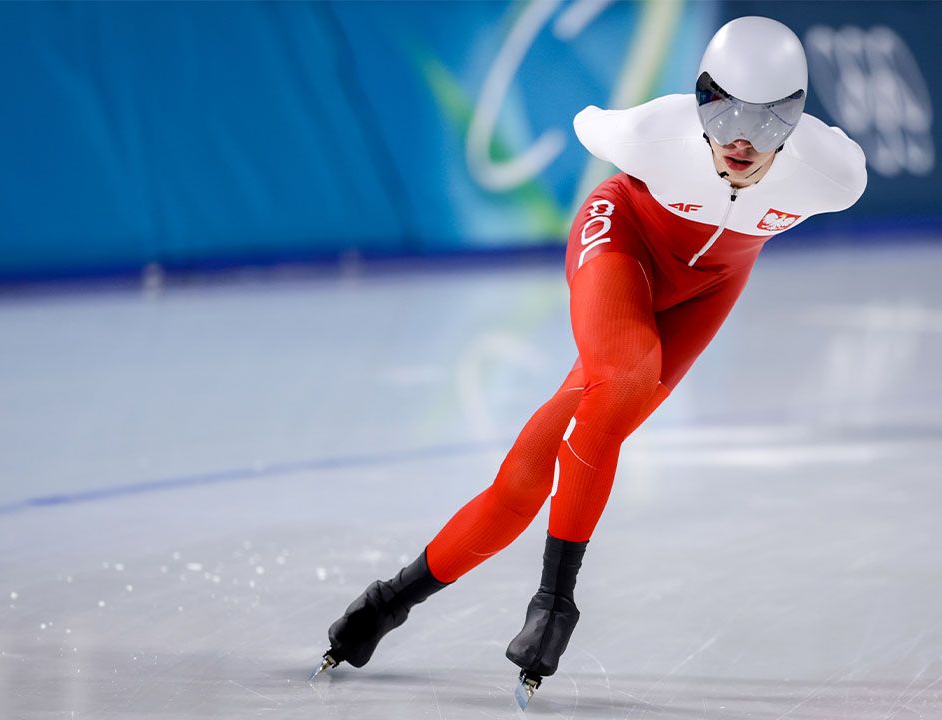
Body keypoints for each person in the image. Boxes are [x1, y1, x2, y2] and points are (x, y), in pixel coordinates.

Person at [314, 15, 867, 703]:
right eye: (721, 112)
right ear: (698, 101)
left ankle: (386, 602)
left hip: (709, 288)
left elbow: (833, 157)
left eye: (767, 121)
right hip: (623, 241)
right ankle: (555, 601)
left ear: (797, 120)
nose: (741, 139)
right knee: (625, 373)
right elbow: (585, 120)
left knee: (525, 481)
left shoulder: (831, 175)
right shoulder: (651, 134)